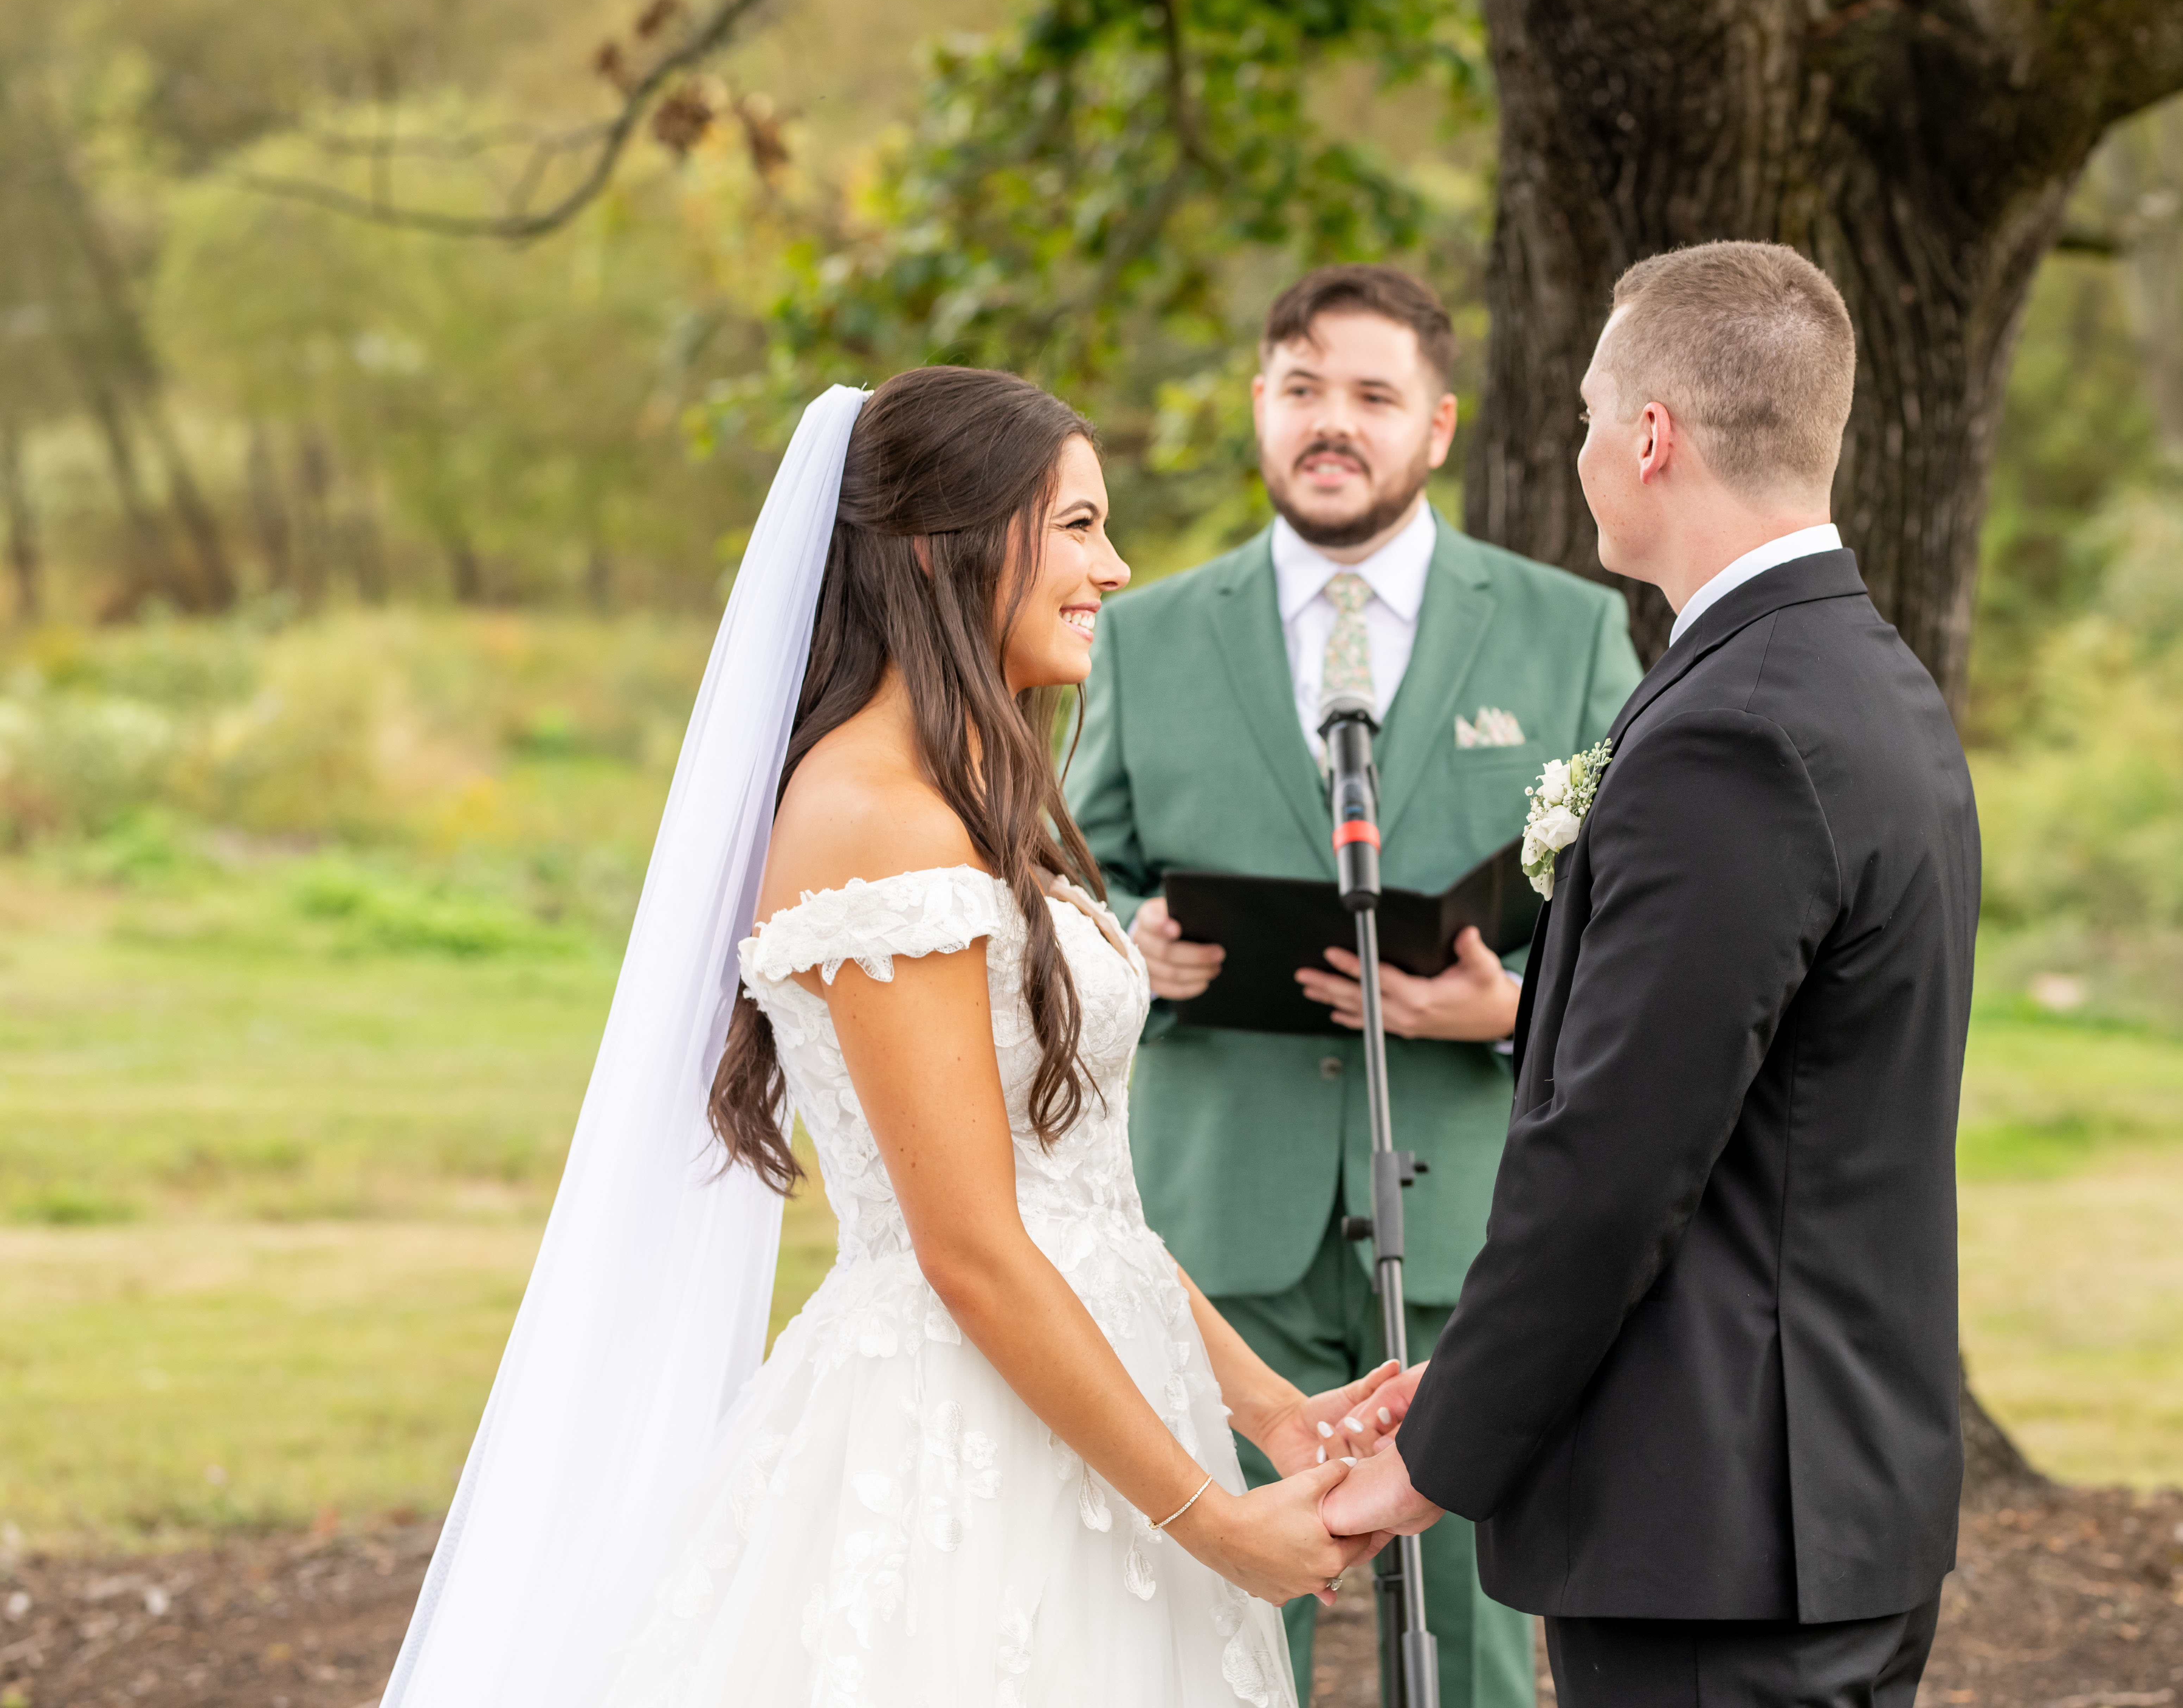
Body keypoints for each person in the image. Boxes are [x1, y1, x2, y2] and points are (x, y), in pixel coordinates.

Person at [384, 368, 1405, 1708]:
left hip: (1098, 1399)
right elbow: (972, 1249)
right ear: (947, 543)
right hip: (963, 1434)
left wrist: (1271, 1410)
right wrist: (1210, 1521)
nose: (1117, 564)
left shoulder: (966, 800)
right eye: (1080, 526)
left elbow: (1078, 1203)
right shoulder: (876, 819)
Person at [1324, 242, 1983, 1708]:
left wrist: (1435, 1460)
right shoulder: (1866, 679)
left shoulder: (1734, 726)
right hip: (1822, 1492)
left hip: (1721, 1531)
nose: (1573, 452)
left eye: (1581, 415)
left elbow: (1616, 1155)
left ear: (1651, 436)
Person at [1063, 264, 1641, 1707]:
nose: (1335, 422)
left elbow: (1646, 908)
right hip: (1218, 1223)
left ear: (1436, 424)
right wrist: (1128, 940)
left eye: (1373, 395)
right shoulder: (1138, 630)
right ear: (1260, 405)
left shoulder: (1570, 631)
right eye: (1303, 387)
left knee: (1472, 1639)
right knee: (1200, 1622)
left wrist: (1512, 1002)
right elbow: (1066, 873)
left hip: (1466, 1225)